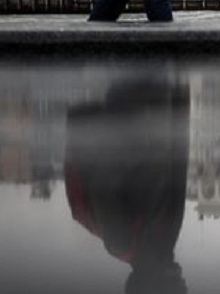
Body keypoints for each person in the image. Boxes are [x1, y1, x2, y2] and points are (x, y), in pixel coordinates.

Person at [64, 73, 190, 294]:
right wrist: (180, 105)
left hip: (130, 109)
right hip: (158, 105)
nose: (184, 284)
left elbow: (105, 183)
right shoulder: (163, 245)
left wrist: (145, 138)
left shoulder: (122, 245)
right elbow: (177, 172)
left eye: (178, 289)